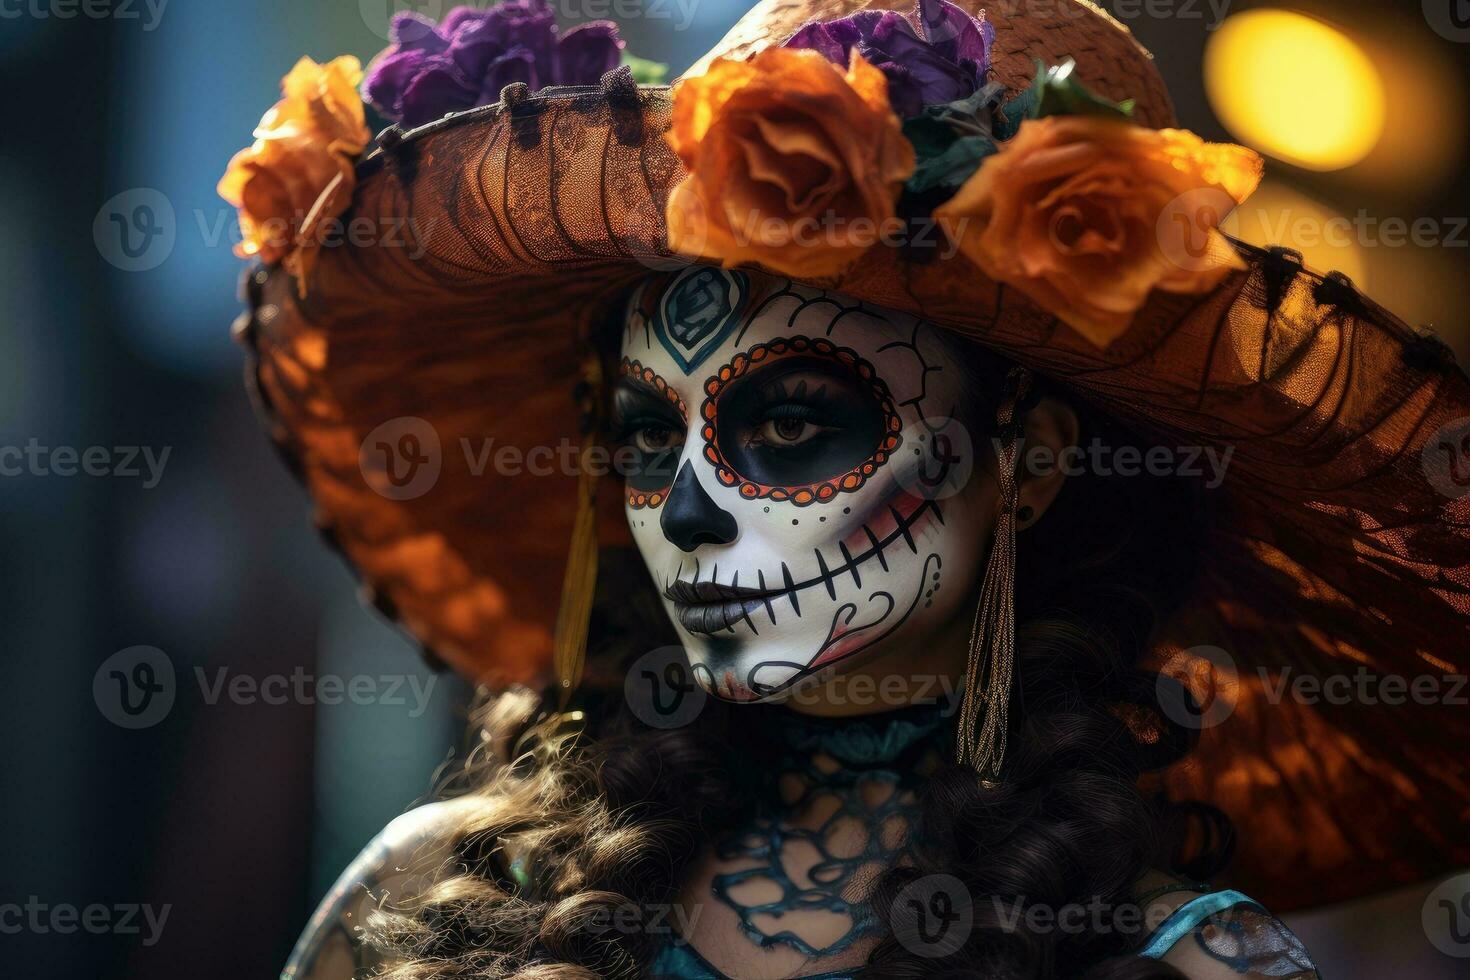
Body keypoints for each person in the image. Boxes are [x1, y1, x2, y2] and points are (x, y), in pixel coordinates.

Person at [222, 2, 1469, 977]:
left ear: (1026, 459)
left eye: (793, 423)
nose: (690, 509)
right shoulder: (429, 904)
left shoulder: (1190, 967)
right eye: (650, 439)